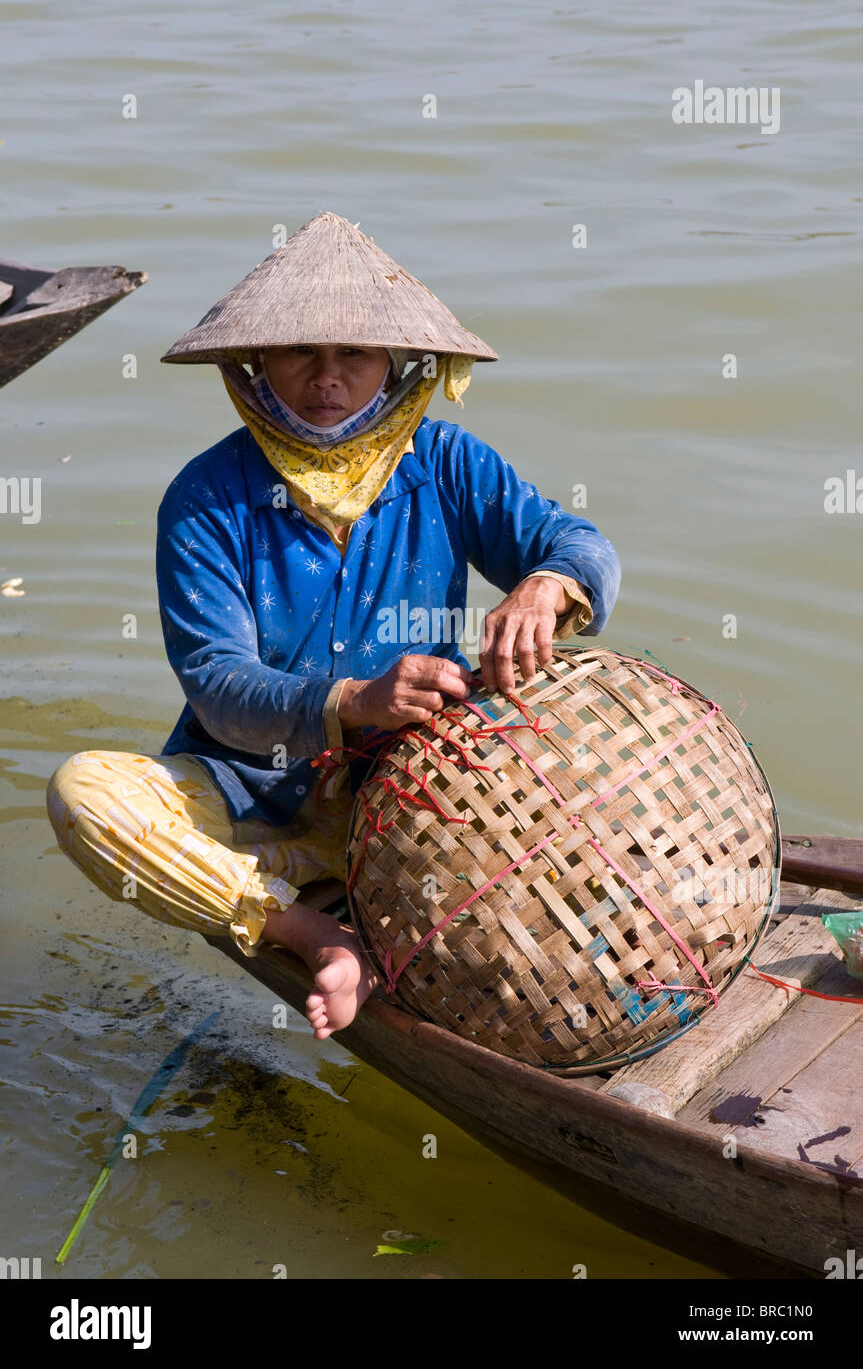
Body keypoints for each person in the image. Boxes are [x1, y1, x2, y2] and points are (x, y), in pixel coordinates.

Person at [46, 212, 621, 1041]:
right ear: (255, 366)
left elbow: (578, 542)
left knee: (578, 800)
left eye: (352, 353)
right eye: (300, 354)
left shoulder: (445, 462)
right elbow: (215, 685)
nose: (327, 378)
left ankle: (379, 892)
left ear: (392, 364)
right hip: (250, 795)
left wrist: (544, 585)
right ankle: (313, 932)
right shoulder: (206, 498)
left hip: (418, 789)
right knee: (86, 797)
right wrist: (350, 698)